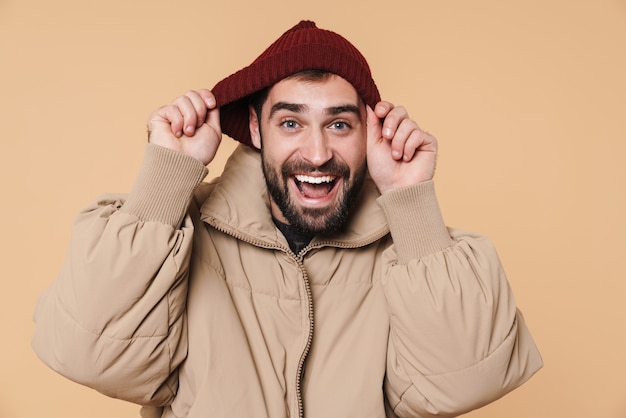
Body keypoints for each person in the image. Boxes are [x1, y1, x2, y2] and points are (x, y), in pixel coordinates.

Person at [32, 20, 542, 418]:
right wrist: (167, 178)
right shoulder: (176, 235)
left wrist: (411, 201)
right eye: (292, 122)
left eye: (339, 124)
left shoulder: (409, 251)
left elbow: (465, 383)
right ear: (255, 129)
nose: (317, 152)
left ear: (370, 132)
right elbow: (89, 355)